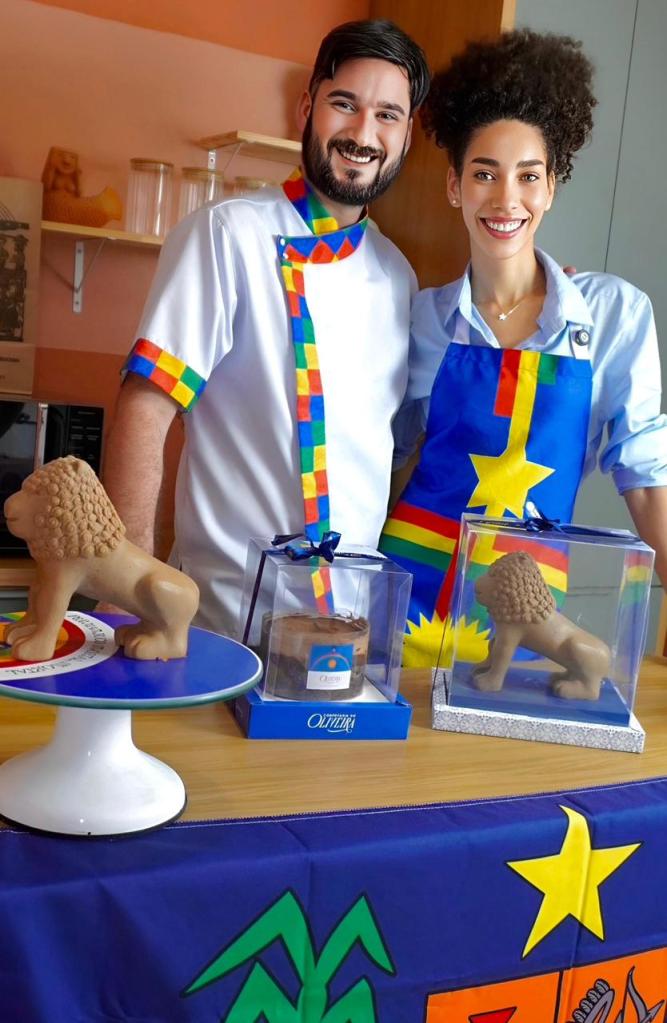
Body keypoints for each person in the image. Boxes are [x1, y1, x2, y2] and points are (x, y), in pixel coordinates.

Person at [103, 20, 430, 635]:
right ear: (307, 109)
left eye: (387, 115)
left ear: (407, 135)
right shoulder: (227, 234)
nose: (364, 134)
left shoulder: (399, 278)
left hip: (345, 632)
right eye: (344, 104)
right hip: (220, 624)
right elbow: (146, 406)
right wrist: (127, 590)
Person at [380, 29, 667, 666]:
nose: (505, 198)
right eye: (484, 173)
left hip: (527, 609)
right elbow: (385, 462)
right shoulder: (422, 318)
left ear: (551, 187)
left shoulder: (612, 316)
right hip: (408, 602)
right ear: (454, 186)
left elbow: (648, 481)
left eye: (528, 176)